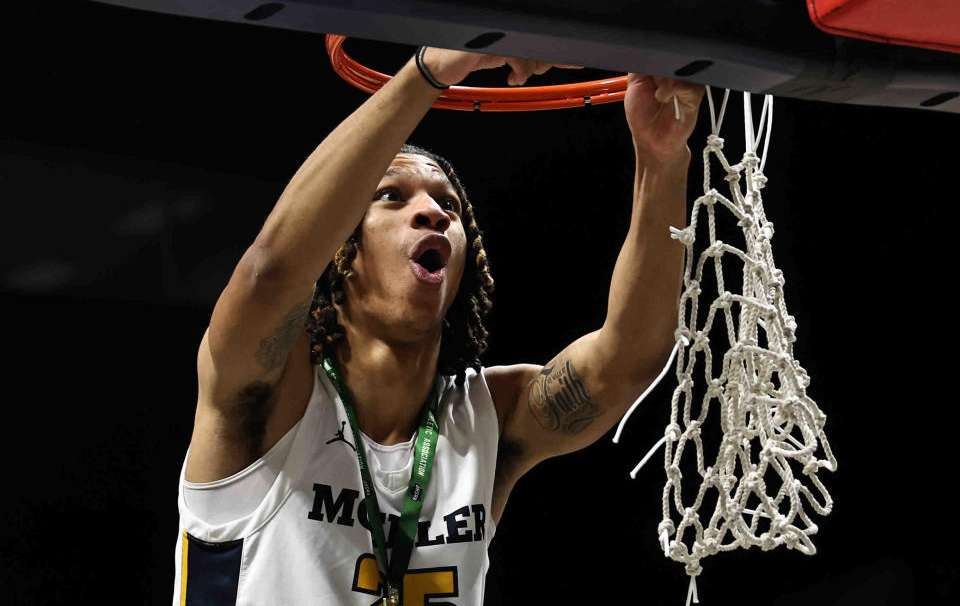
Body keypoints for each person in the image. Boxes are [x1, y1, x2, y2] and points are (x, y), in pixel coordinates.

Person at [173, 46, 705, 605]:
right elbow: (270, 273)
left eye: (448, 204)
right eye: (391, 197)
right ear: (340, 253)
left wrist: (661, 158)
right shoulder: (266, 397)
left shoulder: (487, 417)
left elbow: (630, 357)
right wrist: (430, 72)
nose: (433, 212)